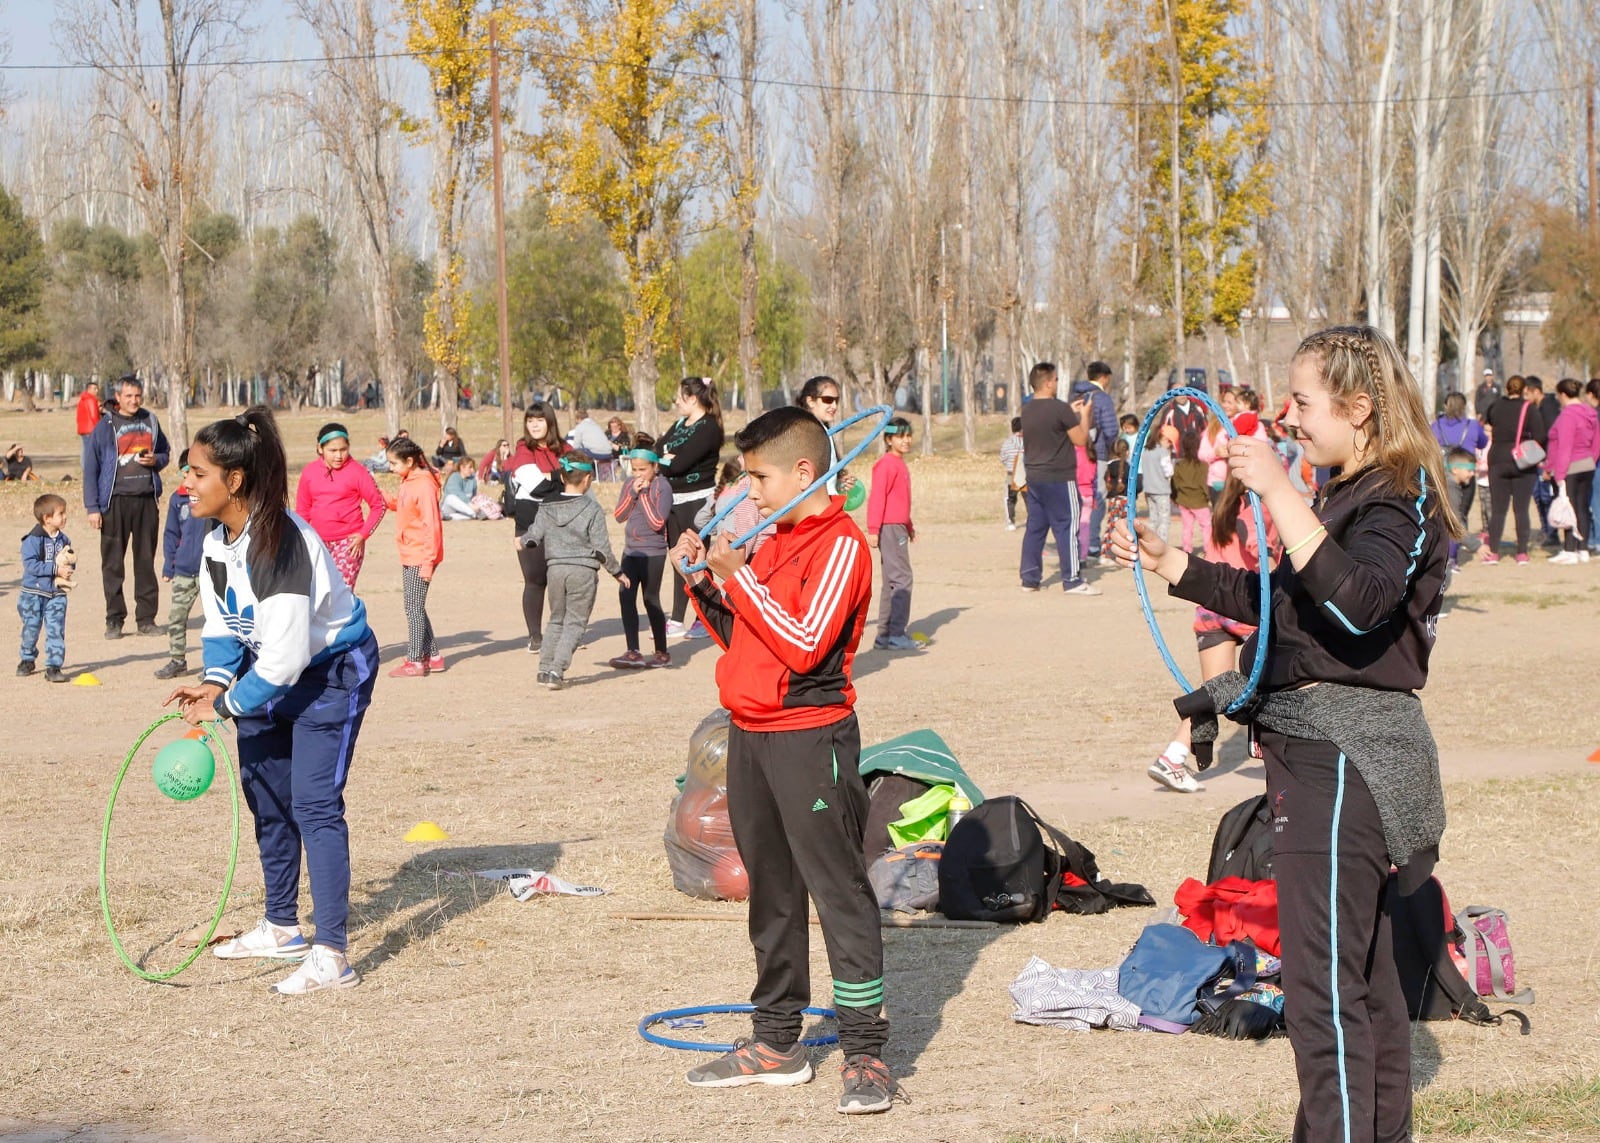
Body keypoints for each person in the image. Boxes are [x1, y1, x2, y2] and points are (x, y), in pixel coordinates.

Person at [1111, 324, 1458, 1143]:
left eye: (1303, 401)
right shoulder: (1343, 491)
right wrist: (1174, 564)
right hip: (1318, 759)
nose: (1289, 417)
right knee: (1360, 986)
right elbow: (1286, 603)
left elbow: (1359, 602)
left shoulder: (1395, 495)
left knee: (1326, 993)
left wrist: (1277, 490)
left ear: (1361, 408)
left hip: (1350, 763)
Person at [670, 406, 895, 1116]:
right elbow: (750, 635)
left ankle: (864, 1051)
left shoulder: (842, 546)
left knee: (838, 891)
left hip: (811, 740)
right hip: (751, 734)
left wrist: (740, 578)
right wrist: (707, 583)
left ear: (804, 471)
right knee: (770, 888)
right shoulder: (775, 540)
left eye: (759, 475)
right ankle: (776, 1040)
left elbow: (802, 643)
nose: (750, 490)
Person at [163, 407, 378, 995]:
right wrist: (214, 680)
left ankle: (333, 954)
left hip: (332, 671)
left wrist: (225, 707)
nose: (186, 482)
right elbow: (222, 626)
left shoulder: (279, 544)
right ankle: (282, 926)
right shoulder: (215, 540)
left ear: (234, 481)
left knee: (313, 803)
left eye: (198, 472)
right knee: (264, 793)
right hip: (271, 670)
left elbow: (284, 661)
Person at [1147, 475, 1279, 792]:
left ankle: (1172, 757)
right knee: (1280, 681)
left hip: (1208, 611)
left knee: (1210, 696)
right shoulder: (1259, 507)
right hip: (1241, 607)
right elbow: (1260, 547)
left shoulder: (1222, 506)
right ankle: (1271, 750)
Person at [517, 456, 626, 689]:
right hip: (583, 571)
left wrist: (524, 541)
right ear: (587, 479)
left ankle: (544, 668)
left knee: (556, 620)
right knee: (575, 623)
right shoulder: (592, 508)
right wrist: (617, 573)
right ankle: (557, 670)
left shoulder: (546, 506)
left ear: (563, 477)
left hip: (555, 570)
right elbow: (601, 549)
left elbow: (534, 536)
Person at [83, 375, 170, 640]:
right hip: (114, 502)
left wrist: (157, 460)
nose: (134, 401)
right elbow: (91, 468)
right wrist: (92, 507)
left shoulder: (150, 421)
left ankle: (146, 618)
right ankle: (114, 619)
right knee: (113, 564)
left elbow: (165, 452)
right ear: (118, 398)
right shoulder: (104, 425)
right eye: (128, 396)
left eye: (137, 396)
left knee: (145, 562)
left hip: (145, 500)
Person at [1018, 362, 1097, 595]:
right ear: (1049, 382)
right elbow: (1081, 440)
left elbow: (1051, 425)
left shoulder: (1027, 409)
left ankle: (1029, 579)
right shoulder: (1060, 409)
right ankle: (1072, 579)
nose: (1057, 384)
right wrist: (1084, 415)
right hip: (1060, 478)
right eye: (1056, 380)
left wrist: (1069, 413)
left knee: (1035, 528)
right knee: (1067, 526)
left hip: (1034, 477)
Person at [659, 377, 726, 636]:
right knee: (678, 558)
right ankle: (677, 619)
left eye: (679, 396)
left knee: (698, 558)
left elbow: (678, 465)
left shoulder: (708, 427)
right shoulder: (679, 425)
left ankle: (703, 618)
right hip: (673, 501)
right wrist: (665, 457)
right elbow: (658, 451)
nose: (676, 401)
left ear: (692, 398)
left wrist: (668, 459)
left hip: (697, 501)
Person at [505, 403, 569, 652]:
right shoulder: (523, 449)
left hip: (561, 519)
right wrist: (561, 477)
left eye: (540, 420)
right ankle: (535, 637)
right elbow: (537, 487)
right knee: (535, 579)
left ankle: (562, 630)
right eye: (530, 420)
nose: (534, 425)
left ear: (550, 423)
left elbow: (581, 477)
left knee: (561, 577)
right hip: (529, 520)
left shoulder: (565, 448)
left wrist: (560, 478)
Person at [295, 423, 387, 590]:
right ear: (320, 448)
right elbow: (302, 510)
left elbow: (379, 505)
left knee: (341, 594)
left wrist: (362, 535)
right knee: (317, 593)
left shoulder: (358, 472)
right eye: (333, 450)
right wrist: (303, 540)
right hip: (316, 542)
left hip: (348, 544)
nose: (339, 455)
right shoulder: (309, 472)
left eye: (343, 449)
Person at [384, 437, 445, 677]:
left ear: (409, 461)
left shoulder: (424, 485)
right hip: (411, 552)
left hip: (421, 555)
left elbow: (432, 527)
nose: (391, 468)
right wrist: (385, 499)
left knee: (412, 608)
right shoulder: (408, 480)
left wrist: (428, 564)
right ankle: (435, 656)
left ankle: (415, 661)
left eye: (394, 463)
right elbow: (406, 506)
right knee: (416, 606)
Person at [609, 446, 674, 670]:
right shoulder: (630, 484)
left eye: (643, 469)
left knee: (650, 599)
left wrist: (644, 494)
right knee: (626, 596)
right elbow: (619, 516)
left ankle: (662, 652)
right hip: (631, 551)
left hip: (653, 553)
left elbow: (657, 522)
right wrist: (632, 493)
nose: (638, 474)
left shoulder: (662, 487)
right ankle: (633, 651)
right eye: (634, 469)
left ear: (655, 467)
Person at [154, 449, 211, 680]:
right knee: (177, 617)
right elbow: (170, 533)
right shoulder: (178, 500)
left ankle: (213, 666)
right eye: (186, 472)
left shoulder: (212, 498)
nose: (190, 479)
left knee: (214, 622)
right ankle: (177, 660)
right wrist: (170, 564)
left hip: (209, 570)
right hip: (184, 569)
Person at [1481, 374, 1546, 565]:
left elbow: (1489, 422)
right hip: (1522, 462)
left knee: (1498, 509)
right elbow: (1541, 435)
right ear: (1524, 389)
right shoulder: (1530, 409)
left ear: (1506, 389)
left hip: (1498, 458)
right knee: (1521, 509)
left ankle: (1493, 552)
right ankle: (1522, 553)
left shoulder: (1496, 406)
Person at [868, 417, 918, 652]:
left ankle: (885, 635)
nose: (906, 440)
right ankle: (897, 633)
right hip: (889, 528)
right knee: (902, 579)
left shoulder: (899, 464)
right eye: (900, 436)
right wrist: (873, 530)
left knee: (891, 580)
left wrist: (909, 526)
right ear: (889, 440)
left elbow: (900, 502)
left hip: (898, 526)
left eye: (908, 435)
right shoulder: (886, 465)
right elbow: (877, 498)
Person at [18, 493, 72, 683]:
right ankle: (27, 657)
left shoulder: (64, 540)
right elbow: (31, 566)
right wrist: (55, 568)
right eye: (61, 513)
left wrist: (68, 570)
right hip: (33, 594)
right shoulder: (32, 540)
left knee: (56, 629)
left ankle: (53, 666)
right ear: (47, 518)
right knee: (31, 629)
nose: (65, 517)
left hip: (56, 594)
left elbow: (70, 560)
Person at [1544, 378, 1599, 564]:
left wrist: (1558, 474)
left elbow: (1564, 446)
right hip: (1587, 464)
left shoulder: (1567, 416)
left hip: (1570, 466)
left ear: (1563, 395)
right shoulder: (1590, 412)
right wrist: (1591, 458)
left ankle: (1569, 549)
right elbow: (1597, 440)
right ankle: (1582, 549)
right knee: (1582, 506)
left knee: (1568, 506)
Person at [1430, 393, 1487, 539]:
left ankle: (1446, 554)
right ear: (1464, 407)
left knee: (1444, 515)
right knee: (1461, 516)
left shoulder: (1436, 426)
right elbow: (1483, 443)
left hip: (1443, 475)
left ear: (1446, 406)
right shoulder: (1472, 425)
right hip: (1467, 473)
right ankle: (1454, 555)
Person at [1082, 361, 1121, 562]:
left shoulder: (1076, 395)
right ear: (1104, 377)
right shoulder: (1102, 398)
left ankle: (1078, 542)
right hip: (1097, 454)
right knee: (1096, 498)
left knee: (1080, 499)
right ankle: (1092, 545)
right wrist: (1107, 447)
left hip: (1075, 455)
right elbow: (1111, 429)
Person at [795, 375, 858, 496]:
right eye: (828, 400)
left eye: (836, 400)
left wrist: (837, 482)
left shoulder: (823, 431)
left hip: (827, 504)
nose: (834, 406)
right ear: (810, 401)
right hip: (813, 508)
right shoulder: (803, 432)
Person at [1172, 429, 1211, 553]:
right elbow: (1204, 484)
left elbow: (1175, 483)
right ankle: (1208, 550)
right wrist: (1210, 498)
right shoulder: (1203, 465)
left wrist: (1175, 498)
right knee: (1206, 527)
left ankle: (1187, 549)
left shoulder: (1179, 465)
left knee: (1187, 527)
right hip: (1200, 501)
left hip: (1183, 501)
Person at [1442, 448, 1478, 574]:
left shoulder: (1447, 484)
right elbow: (1454, 522)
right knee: (1445, 579)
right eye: (1469, 470)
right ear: (1455, 470)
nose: (1472, 474)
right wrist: (1476, 545)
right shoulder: (1451, 489)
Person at [1139, 427, 1175, 542]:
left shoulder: (1146, 451)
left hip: (1149, 489)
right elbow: (1169, 471)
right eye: (1168, 441)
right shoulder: (1163, 452)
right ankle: (1162, 544)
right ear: (1161, 438)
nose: (1169, 444)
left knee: (1153, 519)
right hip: (1161, 491)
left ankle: (1149, 542)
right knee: (1164, 520)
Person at [1101, 439, 1131, 559]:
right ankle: (1123, 552)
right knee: (1125, 527)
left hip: (1113, 500)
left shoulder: (1109, 466)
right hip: (1124, 500)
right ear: (1127, 451)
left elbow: (1106, 479)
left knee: (1112, 525)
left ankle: (1106, 551)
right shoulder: (1127, 466)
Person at [1000, 416, 1026, 530]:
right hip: (1026, 475)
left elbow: (1003, 458)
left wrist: (1009, 465)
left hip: (1011, 474)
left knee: (1009, 498)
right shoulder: (1029, 442)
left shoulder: (1007, 443)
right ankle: (1032, 518)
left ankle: (1010, 522)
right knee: (1029, 498)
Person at [75, 379, 102, 460]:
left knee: (85, 450)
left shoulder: (82, 400)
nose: (97, 391)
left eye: (97, 389)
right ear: (89, 389)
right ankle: (88, 469)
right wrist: (99, 428)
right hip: (91, 429)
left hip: (83, 429)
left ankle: (85, 468)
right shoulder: (92, 400)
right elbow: (94, 416)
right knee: (90, 452)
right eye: (95, 389)